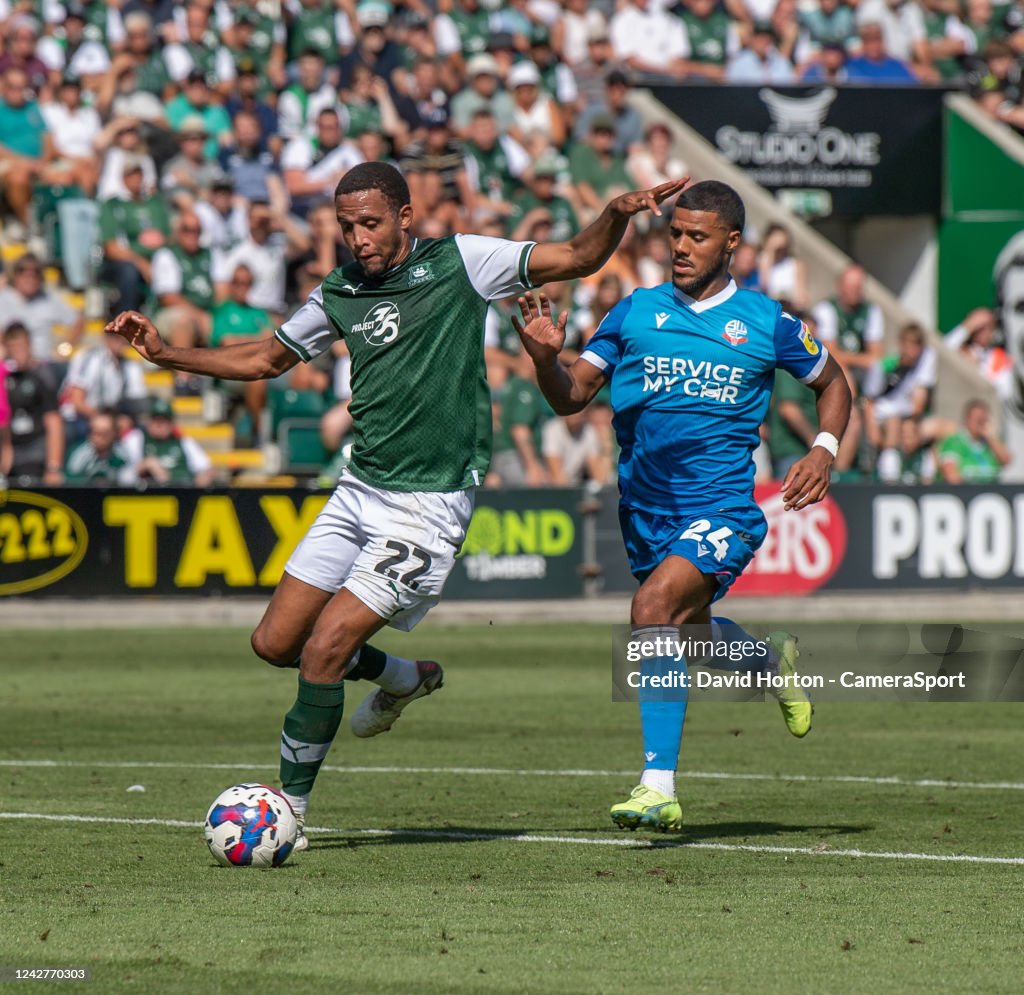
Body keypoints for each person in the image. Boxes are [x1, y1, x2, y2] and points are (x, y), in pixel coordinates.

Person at [107, 160, 687, 850]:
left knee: (324, 650)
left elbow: (580, 256)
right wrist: (169, 353)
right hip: (360, 491)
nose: (358, 238)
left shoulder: (464, 261)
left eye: (371, 223)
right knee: (275, 644)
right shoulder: (340, 290)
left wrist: (616, 213)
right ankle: (405, 677)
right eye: (347, 225)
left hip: (427, 506)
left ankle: (288, 813)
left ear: (406, 217)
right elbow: (266, 358)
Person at [511, 180, 851, 832]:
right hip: (645, 511)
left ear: (731, 243)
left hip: (723, 508)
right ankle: (767, 660)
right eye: (675, 235)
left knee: (652, 609)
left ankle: (657, 784)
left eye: (697, 236)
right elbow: (570, 396)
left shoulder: (764, 321)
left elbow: (833, 381)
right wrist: (544, 361)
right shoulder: (634, 311)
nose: (682, 247)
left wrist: (824, 447)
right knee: (687, 636)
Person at [120, 397, 215, 487]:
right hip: (150, 496)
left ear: (171, 423)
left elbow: (207, 469)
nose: (159, 425)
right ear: (148, 421)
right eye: (156, 419)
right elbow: (122, 474)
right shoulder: (136, 439)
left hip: (184, 492)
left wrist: (201, 480)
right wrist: (145, 464)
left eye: (164, 420)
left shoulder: (184, 442)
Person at [937, 399, 1011, 483]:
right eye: (976, 419)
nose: (980, 423)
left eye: (983, 419)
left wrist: (990, 437)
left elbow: (1006, 460)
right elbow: (952, 477)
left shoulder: (991, 443)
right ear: (967, 419)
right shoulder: (954, 442)